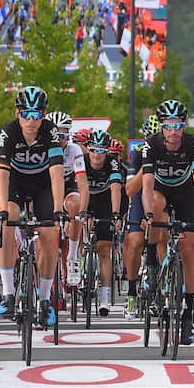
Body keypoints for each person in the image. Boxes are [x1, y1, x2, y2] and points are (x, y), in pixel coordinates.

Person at [141, 99, 194, 346]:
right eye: (169, 125)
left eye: (178, 125)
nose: (173, 131)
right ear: (161, 126)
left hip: (186, 194)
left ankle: (188, 313)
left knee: (188, 248)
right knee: (156, 207)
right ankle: (150, 261)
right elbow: (147, 185)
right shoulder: (151, 145)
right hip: (159, 191)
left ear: (184, 125)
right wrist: (148, 215)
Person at [0, 86, 66, 328]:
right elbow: (1, 176)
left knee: (49, 236)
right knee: (7, 221)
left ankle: (45, 299)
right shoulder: (8, 131)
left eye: (37, 115)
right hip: (15, 181)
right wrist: (2, 208)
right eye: (26, 114)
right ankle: (8, 292)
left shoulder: (50, 132)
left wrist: (58, 210)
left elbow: (57, 174)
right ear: (18, 113)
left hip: (42, 184)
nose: (31, 120)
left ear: (44, 116)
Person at [121, 115, 160, 319]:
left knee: (165, 235)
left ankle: (160, 283)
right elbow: (129, 190)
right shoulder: (138, 154)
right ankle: (132, 291)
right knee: (135, 241)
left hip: (161, 196)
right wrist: (146, 167)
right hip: (139, 196)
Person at [81, 129, 123, 315]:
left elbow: (115, 189)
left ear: (107, 152)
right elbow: (79, 188)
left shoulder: (112, 163)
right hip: (86, 198)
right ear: (87, 150)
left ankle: (105, 296)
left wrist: (115, 214)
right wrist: (82, 213)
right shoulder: (80, 161)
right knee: (82, 228)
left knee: (104, 248)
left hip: (106, 200)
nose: (97, 155)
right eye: (93, 150)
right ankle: (79, 269)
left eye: (101, 151)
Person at [45, 110, 89, 288]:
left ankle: (72, 256)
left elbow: (83, 182)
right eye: (56, 135)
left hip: (68, 188)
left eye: (64, 135)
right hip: (46, 189)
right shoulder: (42, 148)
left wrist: (82, 211)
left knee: (76, 205)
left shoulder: (74, 149)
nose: (60, 139)